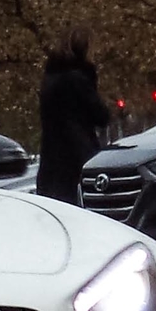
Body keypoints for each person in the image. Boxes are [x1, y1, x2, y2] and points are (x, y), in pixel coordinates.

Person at [35, 29, 112, 204]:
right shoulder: (78, 80)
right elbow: (101, 116)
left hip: (51, 165)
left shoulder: (49, 80)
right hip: (78, 162)